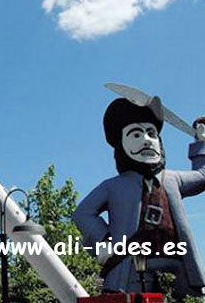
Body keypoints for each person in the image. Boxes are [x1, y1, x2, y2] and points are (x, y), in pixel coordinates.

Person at [72, 97, 205, 298]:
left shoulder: (173, 179)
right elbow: (82, 213)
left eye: (151, 133)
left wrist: (201, 143)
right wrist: (104, 241)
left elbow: (202, 176)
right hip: (131, 267)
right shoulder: (113, 186)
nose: (146, 140)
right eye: (136, 134)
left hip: (178, 267)